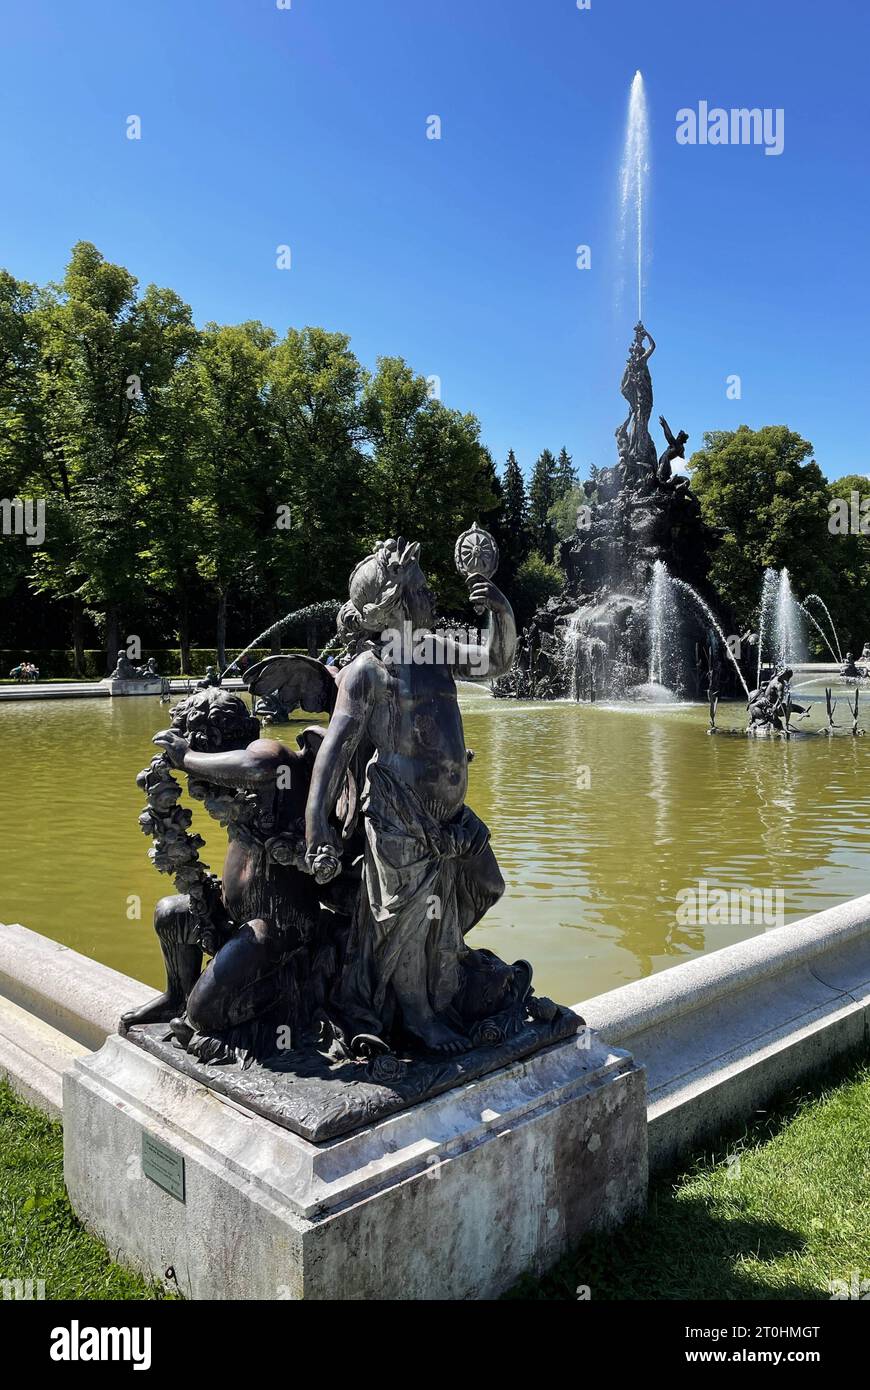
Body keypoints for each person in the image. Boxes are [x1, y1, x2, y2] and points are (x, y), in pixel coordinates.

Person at [304, 536, 517, 1055]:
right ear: (394, 606)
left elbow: (495, 662)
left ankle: (443, 968)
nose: (431, 598)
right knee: (406, 918)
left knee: (486, 885)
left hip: (451, 818)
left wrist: (500, 609)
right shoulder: (367, 672)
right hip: (399, 815)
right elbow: (333, 753)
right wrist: (318, 831)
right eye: (420, 591)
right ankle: (419, 1015)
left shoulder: (436, 652)